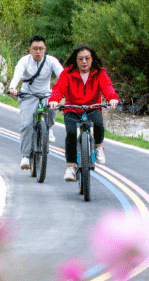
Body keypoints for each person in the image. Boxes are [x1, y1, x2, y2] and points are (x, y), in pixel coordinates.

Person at [48, 44, 120, 182]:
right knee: (71, 133)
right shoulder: (67, 73)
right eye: (80, 59)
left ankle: (98, 147)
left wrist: (112, 98)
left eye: (87, 58)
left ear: (92, 59)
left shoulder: (99, 73)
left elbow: (107, 86)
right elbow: (58, 88)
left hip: (92, 107)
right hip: (72, 108)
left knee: (98, 124)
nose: (84, 62)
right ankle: (70, 167)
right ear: (76, 60)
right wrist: (54, 100)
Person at [8, 36, 63, 171]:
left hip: (46, 94)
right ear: (30, 49)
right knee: (27, 124)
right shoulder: (24, 61)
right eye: (35, 49)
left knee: (53, 104)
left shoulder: (51, 61)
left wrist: (67, 90)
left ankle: (48, 127)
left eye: (41, 49)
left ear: (45, 49)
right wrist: (13, 88)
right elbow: (18, 75)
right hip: (28, 96)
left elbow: (63, 76)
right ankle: (26, 156)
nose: (38, 51)